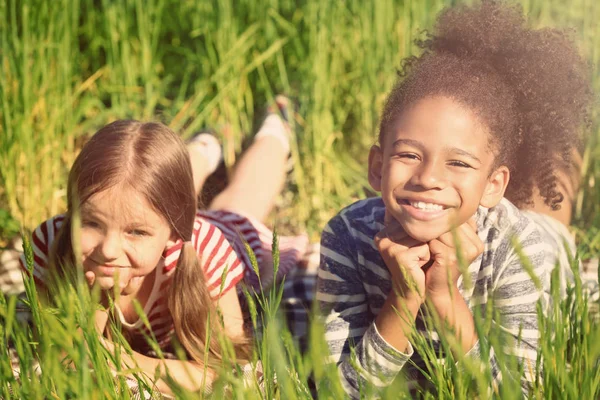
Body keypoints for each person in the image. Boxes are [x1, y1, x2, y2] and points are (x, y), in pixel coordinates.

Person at [316, 1, 593, 398]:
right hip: (488, 211)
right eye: (409, 154)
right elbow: (335, 392)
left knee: (552, 212)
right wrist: (405, 297)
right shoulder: (347, 235)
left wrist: (445, 297)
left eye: (458, 162)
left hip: (545, 245)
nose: (428, 178)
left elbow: (523, 392)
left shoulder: (522, 247)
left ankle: (559, 150)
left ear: (494, 184)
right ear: (377, 166)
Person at [16, 96, 312, 395]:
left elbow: (230, 371)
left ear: (175, 231)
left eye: (136, 232)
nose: (108, 249)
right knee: (146, 191)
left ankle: (275, 127)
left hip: (218, 233)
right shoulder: (50, 244)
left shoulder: (208, 252)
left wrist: (119, 359)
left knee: (241, 199)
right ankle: (206, 144)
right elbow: (67, 355)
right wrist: (97, 300)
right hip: (160, 217)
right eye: (91, 223)